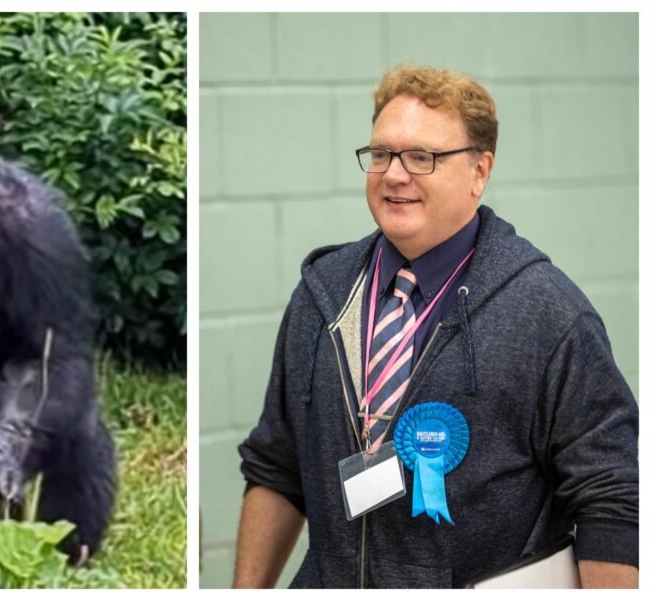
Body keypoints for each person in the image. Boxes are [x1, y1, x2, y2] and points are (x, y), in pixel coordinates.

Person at [233, 65, 638, 589]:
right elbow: (276, 466)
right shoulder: (322, 297)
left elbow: (613, 499)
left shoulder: (549, 313)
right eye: (381, 154)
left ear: (479, 171)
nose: (394, 175)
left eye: (422, 157)